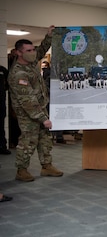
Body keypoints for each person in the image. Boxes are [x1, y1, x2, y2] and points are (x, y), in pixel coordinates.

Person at [8, 25, 64, 182]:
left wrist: (49, 36)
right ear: (18, 52)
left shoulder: (31, 63)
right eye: (29, 51)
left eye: (33, 50)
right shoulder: (18, 73)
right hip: (28, 113)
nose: (33, 53)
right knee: (28, 141)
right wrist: (43, 118)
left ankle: (47, 166)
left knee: (45, 138)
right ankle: (21, 170)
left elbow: (42, 49)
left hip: (39, 109)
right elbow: (28, 101)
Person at [0, 64, 10, 155]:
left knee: (1, 126)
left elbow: (9, 83)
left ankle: (2, 146)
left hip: (1, 102)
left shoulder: (2, 70)